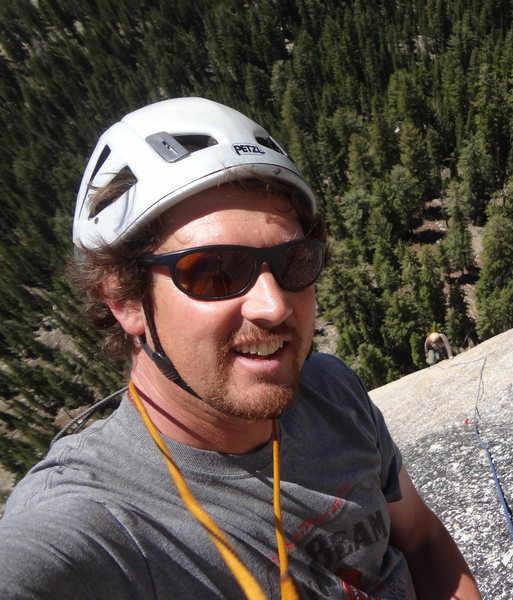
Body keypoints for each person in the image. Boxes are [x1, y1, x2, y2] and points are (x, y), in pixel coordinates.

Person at [0, 97, 481, 600]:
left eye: (294, 262)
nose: (273, 306)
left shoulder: (330, 389)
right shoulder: (98, 518)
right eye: (214, 271)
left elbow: (420, 538)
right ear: (124, 299)